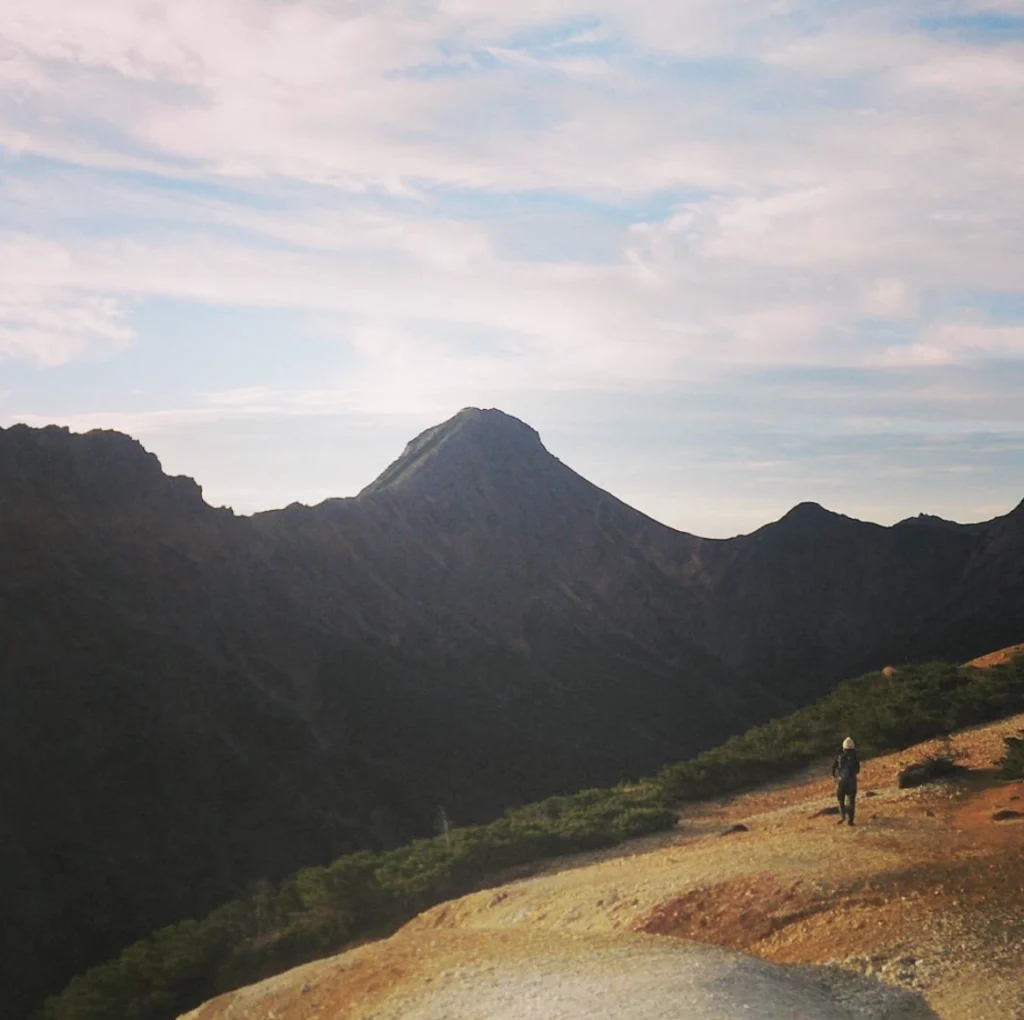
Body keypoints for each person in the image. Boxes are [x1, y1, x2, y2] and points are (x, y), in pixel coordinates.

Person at [832, 737, 860, 826]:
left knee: (841, 800)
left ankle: (843, 816)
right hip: (851, 782)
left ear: (843, 747)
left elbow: (833, 768)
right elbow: (858, 770)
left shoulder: (839, 757)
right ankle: (850, 821)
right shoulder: (855, 758)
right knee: (851, 801)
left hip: (841, 782)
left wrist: (835, 777)